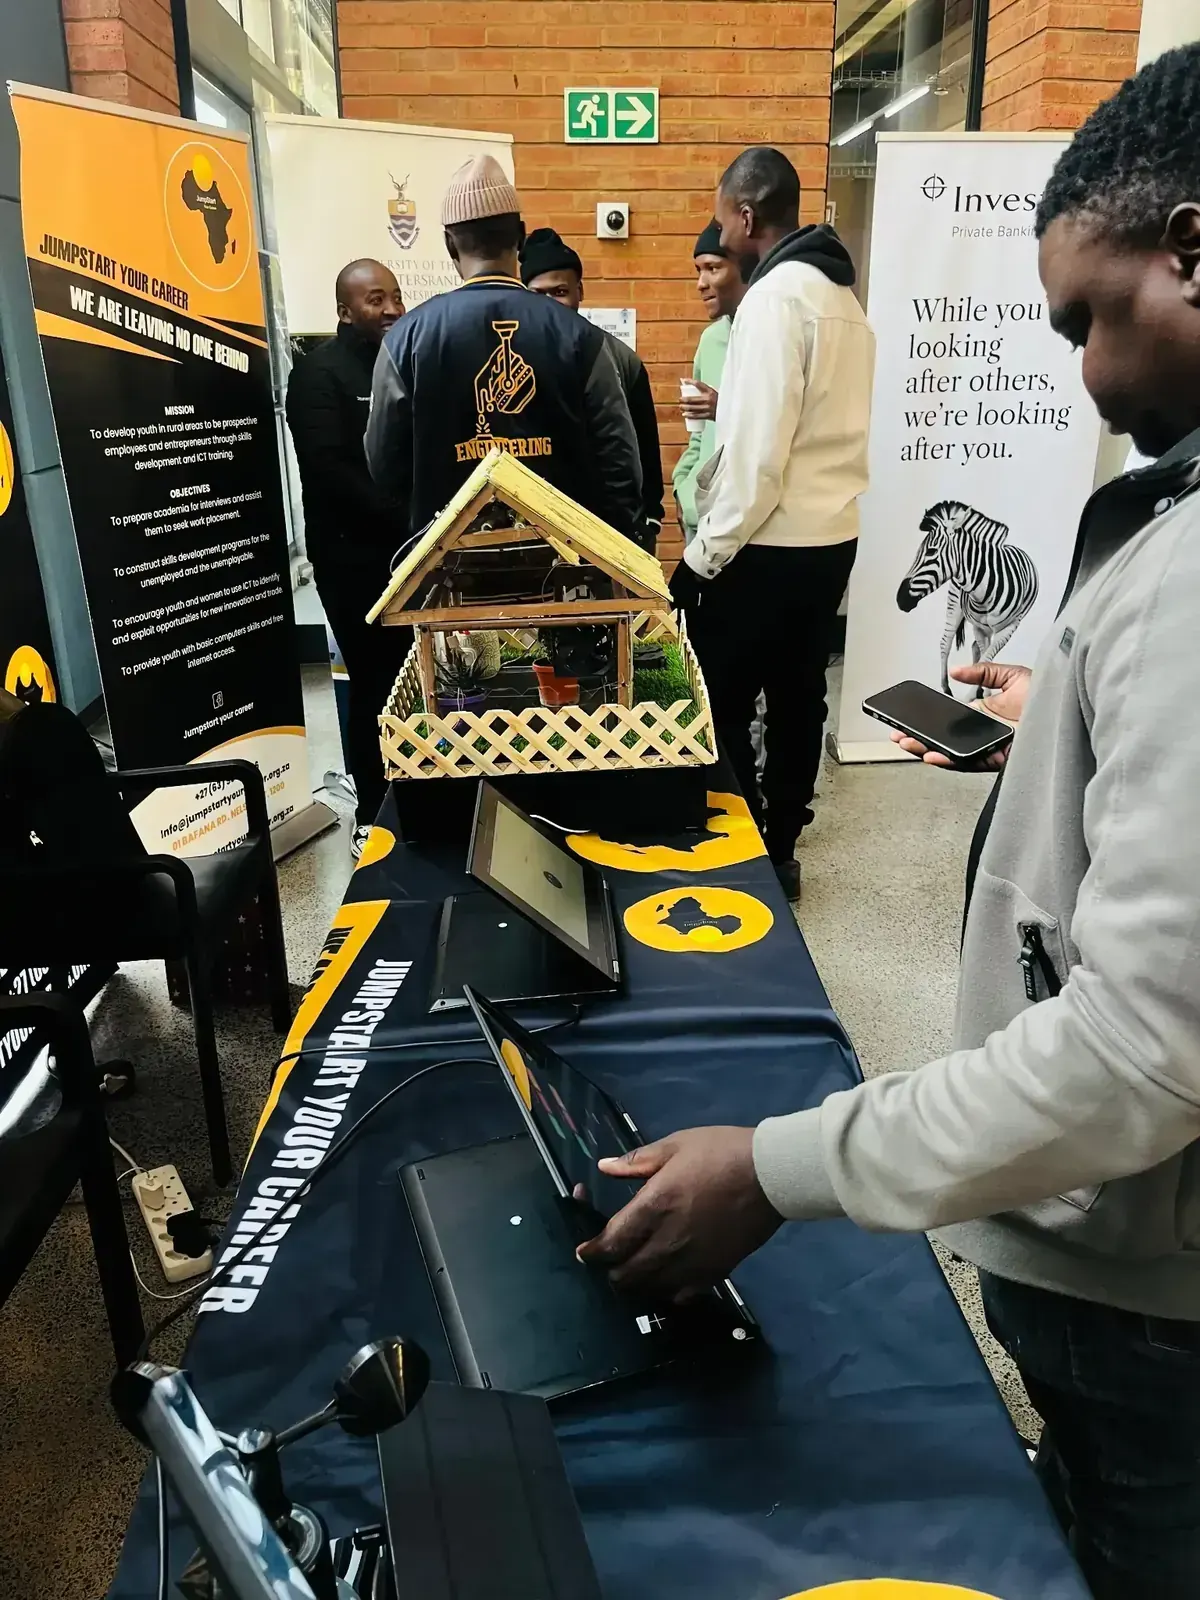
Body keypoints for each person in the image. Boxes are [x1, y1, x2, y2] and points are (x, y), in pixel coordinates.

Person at [579, 45, 1200, 1599]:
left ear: (1191, 247)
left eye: (1088, 321)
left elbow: (1139, 1050)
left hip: (1150, 1296)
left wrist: (780, 1168)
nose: (1083, 383)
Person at [674, 148, 875, 900]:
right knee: (799, 696)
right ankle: (783, 843)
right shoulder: (843, 298)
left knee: (722, 693)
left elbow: (755, 455)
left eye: (724, 213)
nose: (721, 228)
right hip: (832, 538)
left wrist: (701, 558)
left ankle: (741, 837)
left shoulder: (772, 300)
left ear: (746, 216)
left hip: (768, 543)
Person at [365, 156, 641, 542]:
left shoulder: (405, 339)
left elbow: (385, 466)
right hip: (564, 565)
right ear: (522, 237)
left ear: (449, 243)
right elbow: (620, 464)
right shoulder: (581, 336)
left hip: (450, 561)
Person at [285, 259, 407, 857]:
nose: (389, 309)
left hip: (412, 552)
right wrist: (411, 517)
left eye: (395, 297)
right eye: (374, 300)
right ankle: (371, 811)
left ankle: (421, 796)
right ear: (343, 311)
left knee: (420, 679)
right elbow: (330, 471)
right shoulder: (316, 375)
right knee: (374, 682)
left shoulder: (405, 363)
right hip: (352, 559)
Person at [521, 227, 664, 551]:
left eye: (559, 292)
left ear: (579, 291)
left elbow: (644, 443)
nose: (550, 305)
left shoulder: (618, 358)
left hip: (610, 531)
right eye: (538, 294)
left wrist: (649, 518)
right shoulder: (509, 365)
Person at [671, 220, 746, 543]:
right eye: (698, 270)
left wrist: (722, 407)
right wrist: (681, 487)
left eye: (712, 268)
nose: (701, 283)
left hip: (736, 522)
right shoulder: (711, 339)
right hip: (695, 516)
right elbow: (698, 438)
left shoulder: (767, 336)